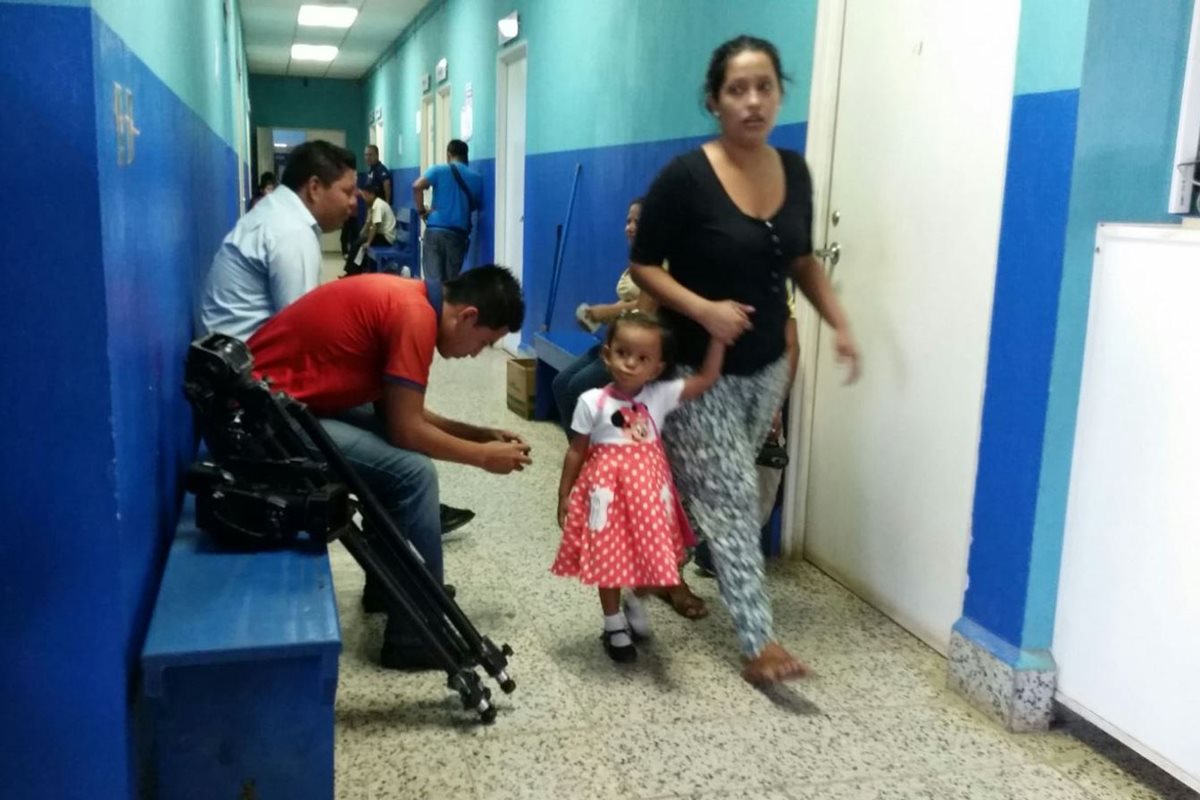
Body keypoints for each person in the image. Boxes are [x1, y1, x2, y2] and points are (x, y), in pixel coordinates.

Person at [630, 36, 860, 684]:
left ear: (779, 93)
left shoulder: (795, 171)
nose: (753, 101)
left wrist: (839, 323)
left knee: (705, 488)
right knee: (730, 498)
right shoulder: (684, 178)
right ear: (714, 100)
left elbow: (800, 260)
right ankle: (759, 644)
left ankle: (650, 563)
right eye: (738, 89)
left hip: (767, 367)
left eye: (765, 87)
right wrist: (702, 309)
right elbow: (643, 263)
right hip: (699, 369)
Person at [246, 266, 531, 669]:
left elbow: (398, 411)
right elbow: (406, 430)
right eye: (483, 342)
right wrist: (483, 458)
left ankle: (391, 588)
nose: (474, 353)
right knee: (413, 474)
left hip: (280, 405)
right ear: (467, 315)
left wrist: (478, 434)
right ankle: (415, 638)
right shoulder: (414, 316)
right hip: (266, 423)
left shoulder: (410, 299)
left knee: (395, 460)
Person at [551, 311, 725, 662]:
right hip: (607, 497)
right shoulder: (591, 402)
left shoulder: (659, 396)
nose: (630, 364)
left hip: (650, 498)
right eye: (622, 353)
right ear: (606, 354)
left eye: (642, 358)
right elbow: (576, 450)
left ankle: (634, 602)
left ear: (657, 367)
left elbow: (706, 379)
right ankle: (613, 623)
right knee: (608, 561)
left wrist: (719, 339)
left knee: (654, 561)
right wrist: (564, 493)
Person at [200, 140, 357, 340]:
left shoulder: (276, 210)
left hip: (228, 353)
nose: (353, 203)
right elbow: (302, 333)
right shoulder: (292, 231)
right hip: (248, 363)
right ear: (314, 188)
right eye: (347, 192)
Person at [550, 199, 647, 435]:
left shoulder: (658, 264)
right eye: (628, 221)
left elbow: (646, 305)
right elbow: (627, 304)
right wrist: (598, 316)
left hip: (634, 349)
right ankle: (580, 452)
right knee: (561, 384)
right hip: (615, 340)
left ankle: (593, 455)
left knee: (578, 388)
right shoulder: (636, 258)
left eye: (638, 222)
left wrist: (608, 311)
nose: (630, 227)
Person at [412, 139, 484, 281]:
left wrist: (421, 212)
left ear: (449, 154)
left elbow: (417, 186)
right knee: (451, 283)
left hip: (435, 231)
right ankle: (447, 303)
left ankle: (433, 303)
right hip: (457, 235)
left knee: (433, 282)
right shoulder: (477, 178)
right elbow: (475, 205)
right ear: (466, 156)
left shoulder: (439, 170)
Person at [343, 181, 397, 276]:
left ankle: (352, 273)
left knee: (360, 245)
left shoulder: (378, 205)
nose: (364, 198)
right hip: (381, 236)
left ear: (372, 195)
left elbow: (375, 225)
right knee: (358, 243)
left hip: (386, 238)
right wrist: (362, 235)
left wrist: (368, 242)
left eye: (366, 195)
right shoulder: (374, 205)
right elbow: (369, 224)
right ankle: (352, 272)